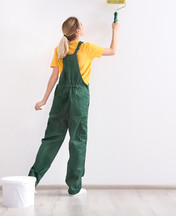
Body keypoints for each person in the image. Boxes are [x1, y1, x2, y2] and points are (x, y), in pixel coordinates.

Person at [28, 16, 120, 196]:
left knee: (51, 139)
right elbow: (113, 51)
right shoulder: (86, 47)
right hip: (79, 97)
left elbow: (54, 77)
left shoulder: (60, 49)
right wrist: (115, 30)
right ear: (77, 31)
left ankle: (31, 183)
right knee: (77, 140)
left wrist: (44, 99)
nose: (83, 26)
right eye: (82, 25)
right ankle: (74, 187)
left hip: (61, 96)